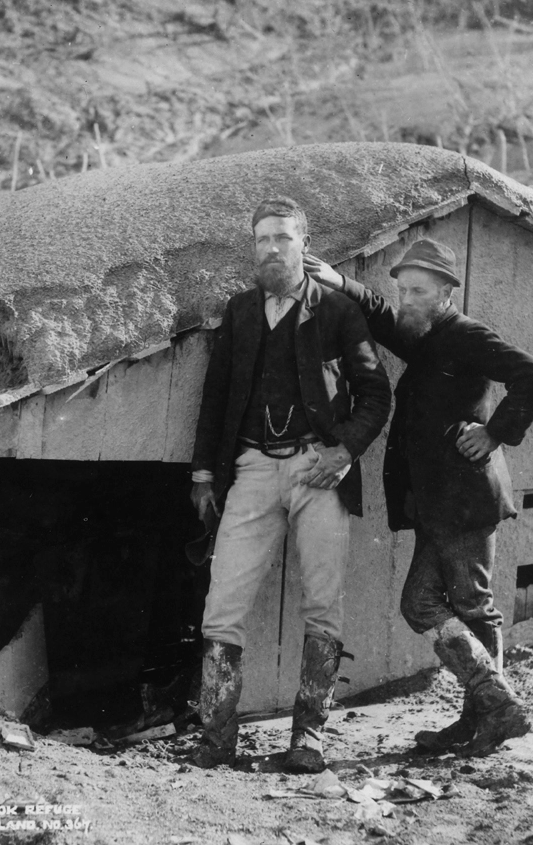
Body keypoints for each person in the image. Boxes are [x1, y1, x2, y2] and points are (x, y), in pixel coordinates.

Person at [304, 239, 533, 757]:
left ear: (446, 293)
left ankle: (494, 711)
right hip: (439, 502)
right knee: (421, 603)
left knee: (472, 606)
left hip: (465, 499)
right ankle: (486, 710)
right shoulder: (426, 335)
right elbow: (381, 316)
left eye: (418, 290)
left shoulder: (465, 335)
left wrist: (495, 433)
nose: (406, 300)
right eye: (403, 290)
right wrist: (338, 281)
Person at [189, 196, 392, 772]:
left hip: (317, 471)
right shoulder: (241, 311)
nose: (272, 248)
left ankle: (309, 738)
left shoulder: (336, 310)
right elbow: (216, 397)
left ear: (304, 244)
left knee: (322, 604)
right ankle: (217, 739)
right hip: (252, 470)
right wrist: (205, 473)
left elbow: (378, 395)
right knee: (221, 605)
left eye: (283, 237)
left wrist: (344, 450)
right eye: (262, 240)